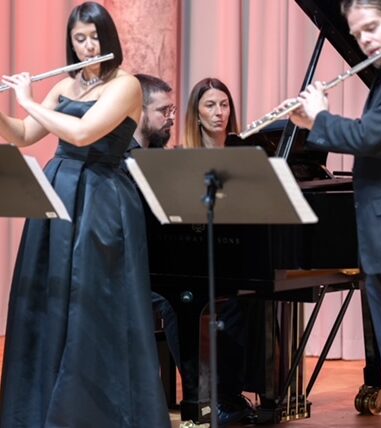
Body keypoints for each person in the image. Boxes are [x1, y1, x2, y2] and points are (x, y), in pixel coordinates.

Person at [0, 3, 171, 427]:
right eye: (80, 38)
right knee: (51, 299)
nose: (88, 45)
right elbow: (23, 135)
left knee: (93, 303)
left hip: (102, 197)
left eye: (95, 36)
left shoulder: (125, 86)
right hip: (59, 196)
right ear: (71, 43)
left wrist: (26, 100)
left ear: (108, 37)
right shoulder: (64, 85)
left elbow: (81, 133)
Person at [288, 1, 381, 427]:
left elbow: (371, 137)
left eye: (371, 28)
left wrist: (319, 118)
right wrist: (312, 122)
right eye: (357, 34)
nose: (364, 40)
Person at [183, 77, 263, 426]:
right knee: (226, 307)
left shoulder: (245, 154)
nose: (219, 112)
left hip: (236, 251)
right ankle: (212, 396)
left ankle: (240, 392)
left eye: (224, 104)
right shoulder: (183, 158)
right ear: (196, 114)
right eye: (210, 105)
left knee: (255, 300)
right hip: (195, 255)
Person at [126, 73, 181, 371]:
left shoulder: (161, 157)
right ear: (139, 110)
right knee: (177, 304)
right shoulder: (121, 162)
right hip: (128, 270)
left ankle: (221, 390)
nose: (171, 118)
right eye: (163, 111)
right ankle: (200, 392)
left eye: (172, 110)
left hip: (159, 265)